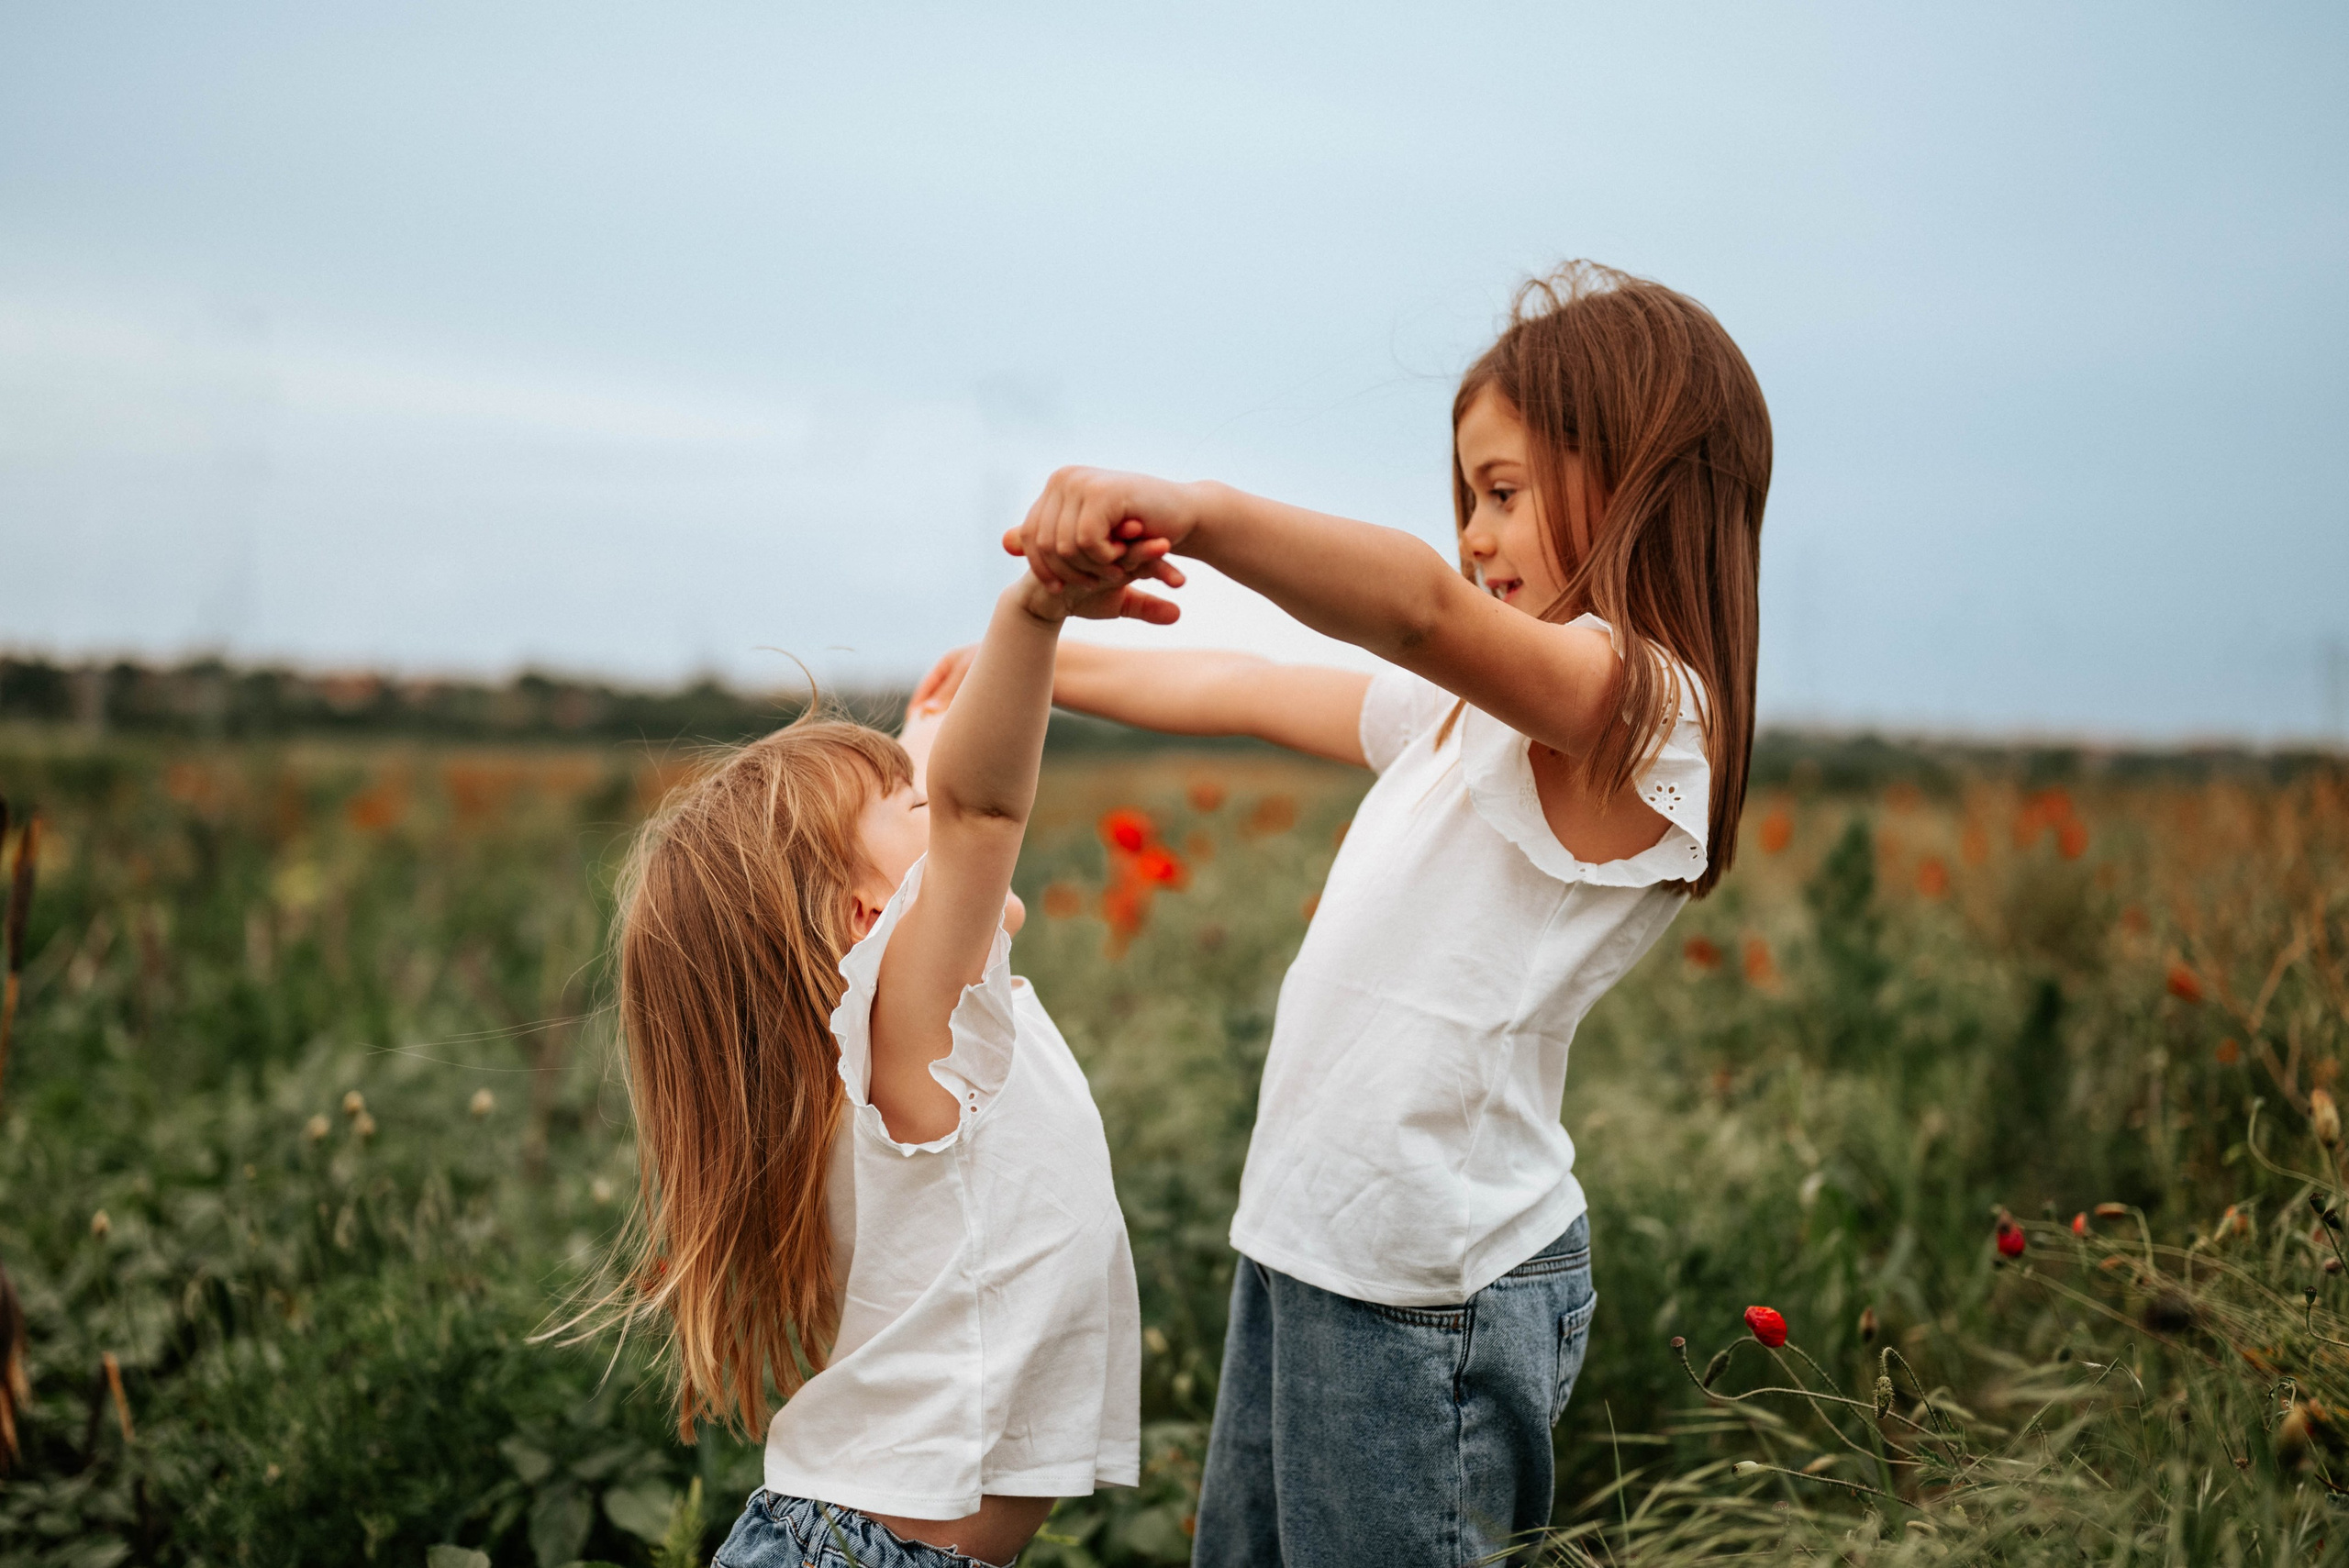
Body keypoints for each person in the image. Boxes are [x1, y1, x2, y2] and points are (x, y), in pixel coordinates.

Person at [917, 261, 1770, 1565]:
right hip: (1315, 1247)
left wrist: (1197, 512)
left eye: (1501, 493)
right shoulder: (1461, 720)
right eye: (1466, 502)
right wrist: (1031, 657)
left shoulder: (1646, 718)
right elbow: (1246, 684)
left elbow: (1420, 608)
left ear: (1644, 477)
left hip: (1433, 1292)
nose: (1476, 538)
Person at [598, 541, 1182, 1567]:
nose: (939, 798)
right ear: (869, 916)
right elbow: (982, 806)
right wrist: (1033, 615)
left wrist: (925, 725)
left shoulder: (886, 1046)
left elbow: (919, 828)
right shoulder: (915, 1032)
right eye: (917, 803)